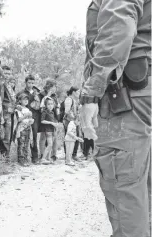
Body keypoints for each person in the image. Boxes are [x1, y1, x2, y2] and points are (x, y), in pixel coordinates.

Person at [80, 0, 151, 236]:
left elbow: (118, 27)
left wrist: (91, 93)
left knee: (124, 186)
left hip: (127, 95)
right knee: (143, 187)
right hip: (141, 93)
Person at [16, 75, 41, 164]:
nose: (31, 84)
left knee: (33, 137)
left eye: (32, 83)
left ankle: (35, 157)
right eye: (29, 82)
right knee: (23, 138)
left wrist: (36, 98)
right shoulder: (21, 93)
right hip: (23, 119)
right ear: (25, 82)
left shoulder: (36, 93)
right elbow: (17, 105)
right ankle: (22, 158)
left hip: (34, 118)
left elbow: (39, 106)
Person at [38, 79, 62, 163]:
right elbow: (41, 107)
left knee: (53, 138)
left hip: (53, 117)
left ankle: (52, 156)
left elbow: (57, 107)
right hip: (45, 118)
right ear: (49, 87)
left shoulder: (54, 96)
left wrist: (58, 118)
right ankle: (42, 155)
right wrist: (48, 95)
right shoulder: (42, 94)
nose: (55, 88)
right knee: (43, 138)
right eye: (54, 86)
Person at [0, 66, 16, 161]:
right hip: (0, 113)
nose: (7, 75)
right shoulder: (0, 84)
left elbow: (12, 101)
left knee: (7, 135)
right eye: (5, 73)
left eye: (9, 73)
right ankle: (0, 156)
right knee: (0, 136)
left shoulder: (10, 86)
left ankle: (6, 156)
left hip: (9, 115)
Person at [13, 93, 34, 166]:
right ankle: (21, 160)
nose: (26, 100)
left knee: (26, 143)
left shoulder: (27, 109)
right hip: (22, 128)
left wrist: (31, 120)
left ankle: (26, 158)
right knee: (21, 144)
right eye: (24, 99)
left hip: (28, 127)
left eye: (27, 99)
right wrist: (26, 115)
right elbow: (19, 119)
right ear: (19, 101)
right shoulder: (18, 109)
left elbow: (29, 118)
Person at [63, 86, 81, 161]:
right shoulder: (68, 99)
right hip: (69, 121)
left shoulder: (74, 100)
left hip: (73, 121)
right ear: (73, 92)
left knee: (76, 136)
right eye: (78, 92)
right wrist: (74, 118)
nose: (79, 93)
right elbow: (67, 111)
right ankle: (69, 155)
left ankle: (73, 155)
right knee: (70, 138)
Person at [39, 97, 59, 165]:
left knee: (51, 144)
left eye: (51, 104)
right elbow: (42, 121)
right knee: (50, 144)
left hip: (52, 130)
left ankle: (48, 158)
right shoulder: (45, 112)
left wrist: (55, 124)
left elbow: (53, 121)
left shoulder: (52, 112)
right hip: (47, 130)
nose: (50, 105)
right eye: (48, 104)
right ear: (46, 105)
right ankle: (43, 159)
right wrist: (51, 123)